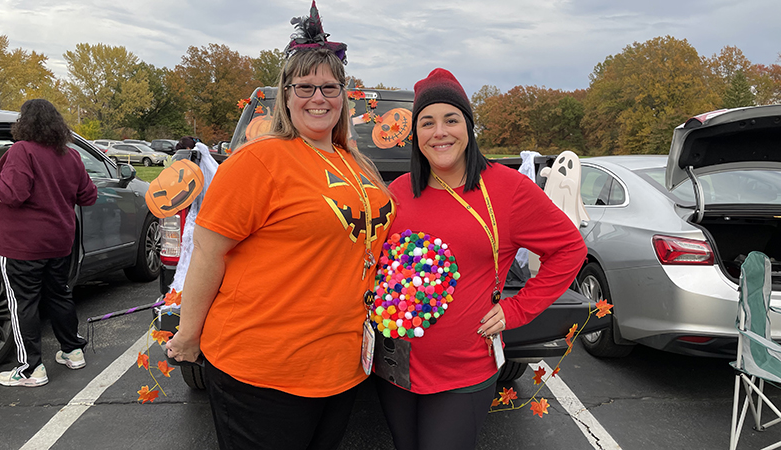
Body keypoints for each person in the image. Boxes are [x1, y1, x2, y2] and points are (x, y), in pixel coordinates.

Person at [165, 3, 394, 449]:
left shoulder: (356, 163)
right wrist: (189, 335)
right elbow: (208, 253)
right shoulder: (259, 160)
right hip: (264, 367)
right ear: (286, 95)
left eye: (330, 87)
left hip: (342, 365)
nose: (318, 98)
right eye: (304, 87)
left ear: (344, 95)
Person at [372, 68, 587, 450]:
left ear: (469, 127)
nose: (440, 132)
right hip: (395, 367)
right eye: (427, 122)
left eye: (451, 120)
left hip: (462, 370)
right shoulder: (399, 191)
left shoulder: (507, 189)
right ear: (415, 134)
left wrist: (517, 309)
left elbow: (570, 249)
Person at [0, 99, 98, 387]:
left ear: (25, 123)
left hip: (22, 245)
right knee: (59, 294)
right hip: (59, 243)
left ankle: (30, 368)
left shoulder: (21, 151)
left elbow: (11, 194)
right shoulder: (70, 156)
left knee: (23, 303)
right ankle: (72, 351)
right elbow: (88, 196)